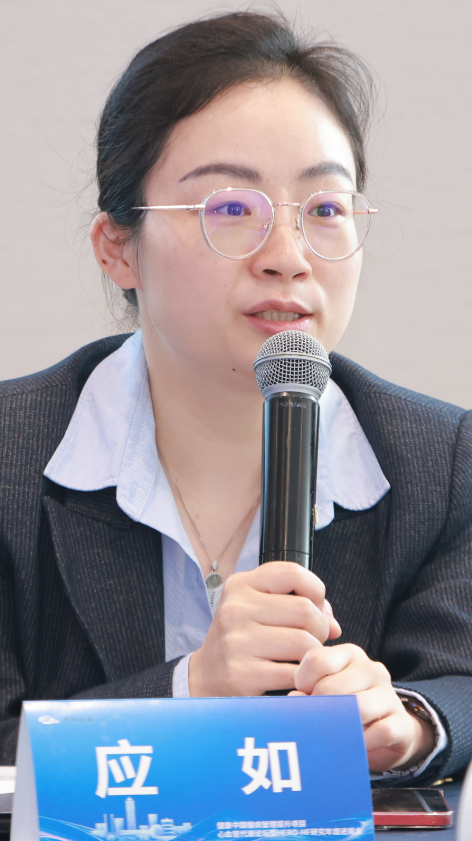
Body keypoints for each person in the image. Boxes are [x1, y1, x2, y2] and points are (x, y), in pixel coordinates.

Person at [0, 11, 471, 785]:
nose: (288, 257)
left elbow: (461, 678)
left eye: (325, 210)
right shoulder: (13, 456)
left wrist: (409, 722)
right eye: (230, 209)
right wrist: (192, 689)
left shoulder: (443, 462)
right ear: (118, 247)